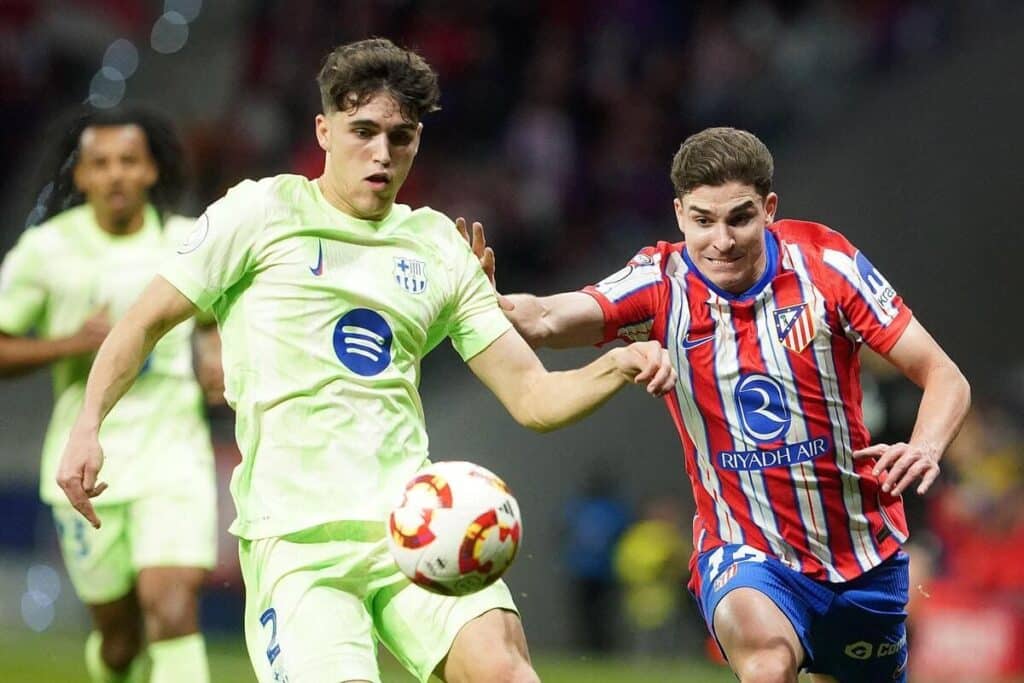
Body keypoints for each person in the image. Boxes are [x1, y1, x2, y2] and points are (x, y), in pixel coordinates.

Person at [55, 38, 675, 683]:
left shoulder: (439, 246)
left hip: (420, 523)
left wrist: (618, 364)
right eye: (363, 132)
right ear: (323, 131)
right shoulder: (259, 213)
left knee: (506, 673)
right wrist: (86, 427)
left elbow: (533, 399)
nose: (382, 154)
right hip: (297, 545)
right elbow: (142, 323)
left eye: (401, 137)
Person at [470, 126, 971, 682]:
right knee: (766, 664)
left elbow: (945, 376)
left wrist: (927, 447)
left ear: (769, 208)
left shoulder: (828, 267)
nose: (722, 241)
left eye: (740, 218)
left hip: (862, 555)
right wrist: (491, 302)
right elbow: (543, 318)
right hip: (744, 548)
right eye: (703, 221)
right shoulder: (660, 282)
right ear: (680, 213)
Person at [0, 107, 221, 683]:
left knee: (172, 607)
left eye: (129, 161)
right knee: (120, 642)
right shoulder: (47, 251)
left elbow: (216, 313)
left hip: (175, 456)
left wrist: (214, 348)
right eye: (100, 163)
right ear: (81, 177)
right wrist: (69, 343)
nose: (116, 174)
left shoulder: (186, 242)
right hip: (84, 463)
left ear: (152, 171)